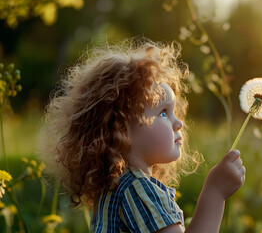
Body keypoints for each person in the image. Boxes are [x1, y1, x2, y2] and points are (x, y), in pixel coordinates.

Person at [35, 36, 246, 233]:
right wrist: (214, 193)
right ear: (121, 129)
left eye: (174, 111)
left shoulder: (115, 187)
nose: (178, 122)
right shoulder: (138, 190)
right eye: (163, 112)